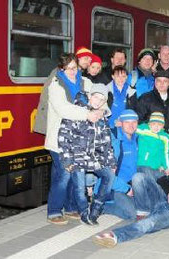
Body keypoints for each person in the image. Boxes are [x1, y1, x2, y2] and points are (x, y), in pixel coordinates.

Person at [93, 153, 169, 248]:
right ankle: (143, 212)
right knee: (138, 177)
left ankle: (116, 236)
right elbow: (164, 180)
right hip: (163, 197)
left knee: (150, 223)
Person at [45, 53, 104, 225]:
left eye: (74, 68)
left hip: (79, 139)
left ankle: (70, 208)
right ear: (61, 69)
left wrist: (102, 109)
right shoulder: (55, 85)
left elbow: (100, 95)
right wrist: (88, 114)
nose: (72, 72)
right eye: (68, 69)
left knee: (75, 173)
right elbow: (63, 109)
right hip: (60, 139)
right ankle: (54, 211)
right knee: (64, 174)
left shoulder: (85, 82)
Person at [58, 83, 116, 225]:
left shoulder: (102, 117)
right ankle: (84, 213)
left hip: (95, 158)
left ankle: (96, 208)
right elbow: (64, 136)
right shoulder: (76, 112)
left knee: (109, 175)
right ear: (90, 96)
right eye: (95, 97)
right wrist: (67, 160)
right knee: (79, 187)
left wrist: (112, 162)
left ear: (104, 102)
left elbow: (107, 142)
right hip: (77, 158)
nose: (98, 101)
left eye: (102, 99)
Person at [136, 70, 169, 171]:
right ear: (155, 82)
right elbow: (138, 120)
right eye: (159, 81)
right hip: (148, 147)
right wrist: (152, 130)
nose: (162, 84)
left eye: (165, 81)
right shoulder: (145, 98)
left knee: (167, 178)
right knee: (147, 177)